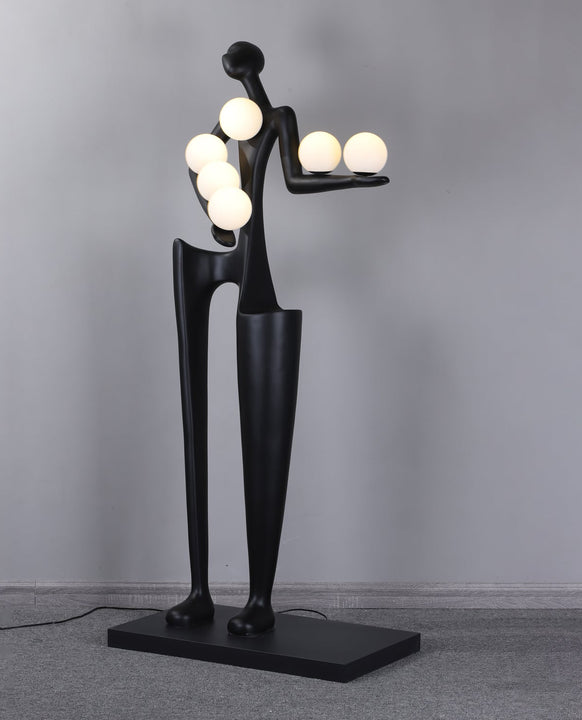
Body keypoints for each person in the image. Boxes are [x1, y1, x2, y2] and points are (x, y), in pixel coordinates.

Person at [166, 41, 388, 636]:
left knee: (264, 424)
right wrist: (215, 214)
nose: (238, 75)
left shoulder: (279, 117)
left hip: (255, 263)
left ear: (252, 68)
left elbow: (294, 178)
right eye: (234, 70)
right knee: (194, 408)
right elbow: (199, 163)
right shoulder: (228, 121)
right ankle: (199, 592)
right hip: (222, 246)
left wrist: (350, 179)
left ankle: (259, 598)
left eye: (241, 67)